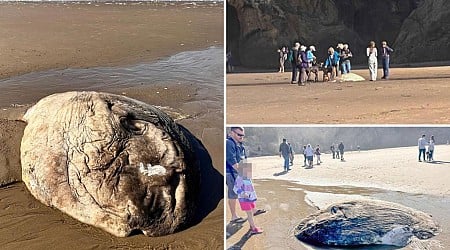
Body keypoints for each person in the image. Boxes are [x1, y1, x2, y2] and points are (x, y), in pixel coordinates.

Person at [233, 165, 263, 234]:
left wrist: (253, 196)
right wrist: (242, 193)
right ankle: (253, 228)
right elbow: (236, 188)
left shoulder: (247, 177)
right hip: (244, 199)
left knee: (251, 213)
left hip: (250, 198)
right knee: (249, 214)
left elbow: (249, 188)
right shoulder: (240, 178)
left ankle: (251, 226)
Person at [226, 127, 246, 223]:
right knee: (233, 194)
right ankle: (234, 216)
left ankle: (252, 210)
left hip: (240, 170)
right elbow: (231, 160)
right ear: (231, 133)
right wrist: (243, 173)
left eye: (242, 135)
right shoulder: (229, 143)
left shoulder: (240, 144)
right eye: (239, 134)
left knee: (246, 191)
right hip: (232, 172)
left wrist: (247, 173)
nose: (241, 137)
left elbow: (242, 159)